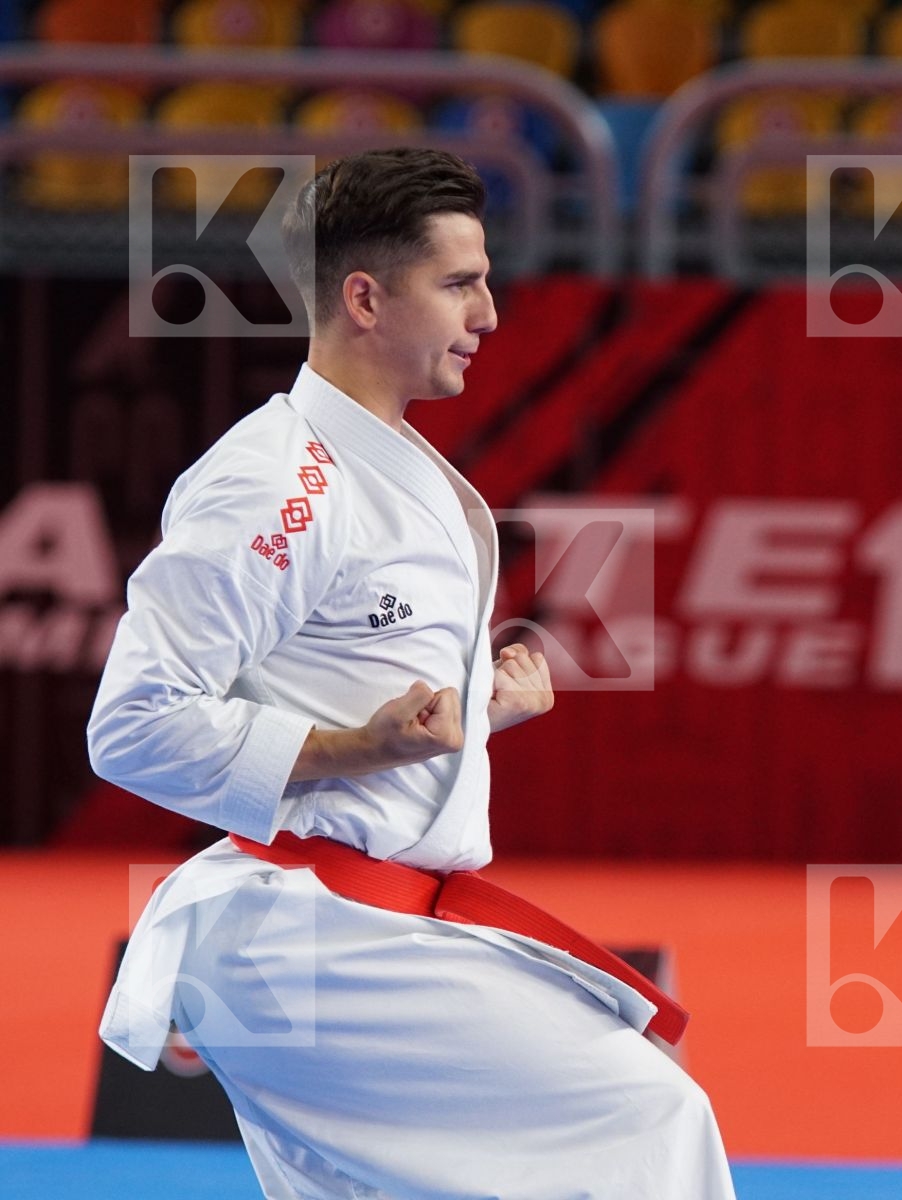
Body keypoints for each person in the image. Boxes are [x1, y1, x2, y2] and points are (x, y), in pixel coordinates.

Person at [88, 147, 737, 1200]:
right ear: (365, 297)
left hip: (369, 923)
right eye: (460, 284)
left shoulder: (395, 466)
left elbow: (360, 703)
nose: (489, 313)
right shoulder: (279, 485)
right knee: (649, 1118)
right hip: (310, 939)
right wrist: (363, 746)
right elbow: (133, 727)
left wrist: (480, 708)